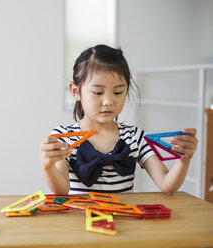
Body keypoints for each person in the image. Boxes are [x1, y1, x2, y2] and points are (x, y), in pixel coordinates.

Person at [40, 44, 198, 195]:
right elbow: (61, 191)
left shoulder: (135, 137)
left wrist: (183, 161)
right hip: (81, 221)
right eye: (97, 92)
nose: (108, 101)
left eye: (117, 92)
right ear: (76, 91)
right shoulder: (63, 137)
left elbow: (167, 185)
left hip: (124, 220)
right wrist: (47, 166)